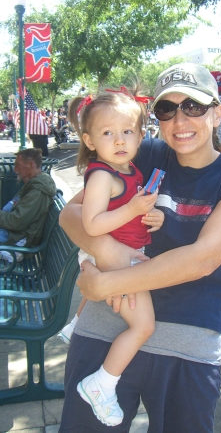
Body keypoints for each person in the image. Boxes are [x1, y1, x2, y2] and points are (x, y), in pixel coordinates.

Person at [58, 63, 221, 433]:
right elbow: (71, 216)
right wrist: (114, 259)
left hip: (185, 343)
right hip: (106, 327)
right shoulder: (141, 152)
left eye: (194, 106)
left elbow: (202, 259)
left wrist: (108, 283)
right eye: (167, 110)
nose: (180, 119)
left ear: (217, 111)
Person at [58, 89, 164, 426]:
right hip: (119, 259)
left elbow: (125, 213)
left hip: (124, 252)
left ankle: (74, 325)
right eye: (108, 133)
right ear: (89, 140)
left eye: (127, 132)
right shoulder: (103, 174)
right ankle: (102, 383)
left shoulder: (127, 168)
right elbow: (91, 223)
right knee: (143, 325)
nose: (119, 140)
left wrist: (149, 216)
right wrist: (133, 207)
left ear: (141, 136)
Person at [0, 148, 56, 262]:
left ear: (30, 165)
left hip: (17, 239)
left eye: (18, 165)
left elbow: (16, 221)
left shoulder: (38, 191)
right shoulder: (35, 184)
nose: (15, 169)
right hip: (14, 234)